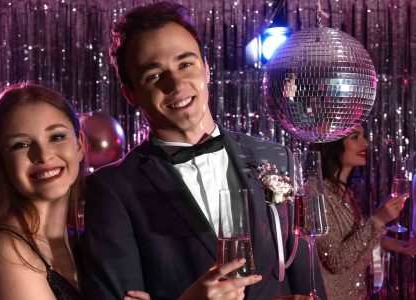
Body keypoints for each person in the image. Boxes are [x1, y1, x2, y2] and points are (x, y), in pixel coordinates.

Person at [82, 2, 326, 299]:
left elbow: (306, 278)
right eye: (155, 75)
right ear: (130, 93)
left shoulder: (275, 157)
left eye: (186, 64)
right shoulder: (112, 190)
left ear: (207, 69)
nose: (176, 83)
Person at [0, 83, 152, 300]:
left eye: (56, 137)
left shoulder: (81, 242)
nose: (43, 156)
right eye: (21, 145)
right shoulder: (6, 252)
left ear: (80, 144)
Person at [311, 125, 416, 300]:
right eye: (355, 137)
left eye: (364, 136)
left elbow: (357, 242)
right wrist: (378, 219)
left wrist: (400, 246)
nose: (365, 144)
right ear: (333, 143)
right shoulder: (316, 192)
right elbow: (337, 260)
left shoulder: (344, 192)